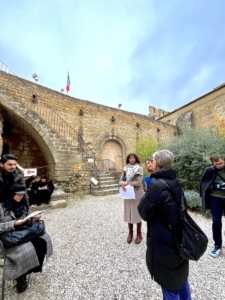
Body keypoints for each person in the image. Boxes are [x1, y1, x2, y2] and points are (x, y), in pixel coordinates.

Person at [138, 150, 191, 300]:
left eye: (153, 161)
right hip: (178, 236)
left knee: (169, 285)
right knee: (180, 279)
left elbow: (144, 212)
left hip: (164, 241)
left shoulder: (157, 186)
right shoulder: (174, 181)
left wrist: (146, 196)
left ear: (156, 163)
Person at [0, 184, 53, 293]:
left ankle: (31, 268)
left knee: (42, 242)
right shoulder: (1, 208)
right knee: (25, 251)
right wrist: (13, 224)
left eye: (22, 195)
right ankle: (20, 278)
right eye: (18, 195)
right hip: (9, 238)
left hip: (24, 233)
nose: (21, 197)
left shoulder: (24, 204)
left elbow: (28, 217)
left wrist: (34, 218)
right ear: (11, 194)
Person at [200, 154, 225, 257]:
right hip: (215, 198)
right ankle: (218, 246)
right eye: (217, 164)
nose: (220, 165)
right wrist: (218, 186)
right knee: (216, 222)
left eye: (221, 162)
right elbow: (204, 186)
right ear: (213, 163)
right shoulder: (209, 171)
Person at [119, 153, 145, 244]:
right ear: (128, 160)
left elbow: (138, 182)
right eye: (130, 158)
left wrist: (126, 183)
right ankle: (130, 233)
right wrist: (121, 183)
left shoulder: (139, 168)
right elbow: (121, 179)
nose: (132, 159)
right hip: (127, 194)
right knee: (129, 213)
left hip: (137, 193)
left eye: (133, 158)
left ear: (136, 159)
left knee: (137, 213)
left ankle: (139, 234)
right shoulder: (125, 168)